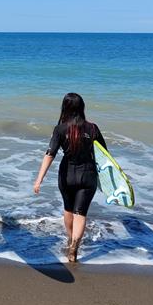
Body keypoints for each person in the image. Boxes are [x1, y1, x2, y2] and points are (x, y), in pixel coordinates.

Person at [33, 93, 106, 263]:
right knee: (81, 213)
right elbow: (104, 155)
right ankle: (74, 248)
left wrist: (39, 179)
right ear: (82, 107)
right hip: (88, 176)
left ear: (64, 108)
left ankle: (69, 239)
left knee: (68, 209)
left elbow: (50, 154)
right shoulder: (93, 128)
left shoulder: (60, 129)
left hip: (67, 175)